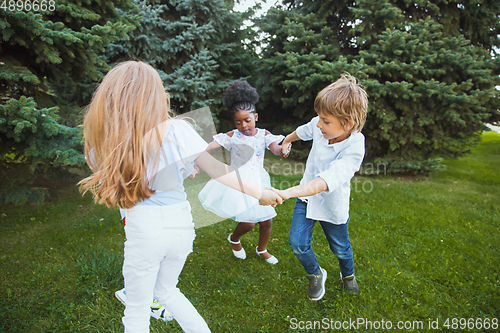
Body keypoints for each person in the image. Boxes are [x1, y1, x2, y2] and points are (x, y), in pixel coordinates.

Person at [78, 61, 281, 333]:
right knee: (168, 291)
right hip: (182, 228)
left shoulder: (105, 141)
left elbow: (116, 181)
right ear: (157, 97)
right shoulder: (178, 130)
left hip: (145, 231)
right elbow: (220, 171)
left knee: (137, 310)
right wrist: (259, 193)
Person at [271, 74, 368, 301]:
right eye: (319, 118)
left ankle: (348, 275)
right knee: (297, 243)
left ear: (348, 124)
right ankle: (315, 274)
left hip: (332, 204)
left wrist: (286, 193)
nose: (318, 123)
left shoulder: (355, 146)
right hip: (306, 199)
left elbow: (324, 182)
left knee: (340, 248)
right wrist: (287, 140)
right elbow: (302, 131)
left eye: (325, 121)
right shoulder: (318, 126)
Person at [198, 81, 287, 264]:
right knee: (248, 222)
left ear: (256, 116)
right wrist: (196, 153)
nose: (243, 125)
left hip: (259, 179)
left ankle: (262, 249)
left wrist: (283, 150)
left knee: (267, 220)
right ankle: (234, 239)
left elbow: (276, 149)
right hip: (238, 181)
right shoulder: (233, 136)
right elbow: (210, 147)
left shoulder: (263, 134)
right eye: (238, 122)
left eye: (247, 120)